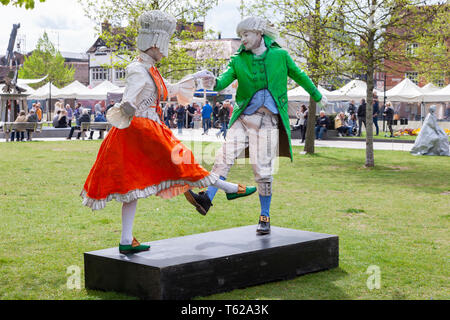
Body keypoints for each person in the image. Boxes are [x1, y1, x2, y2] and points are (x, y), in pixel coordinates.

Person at [80, 10, 256, 254]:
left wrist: (195, 75)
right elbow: (130, 97)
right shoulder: (137, 70)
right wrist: (127, 106)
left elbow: (167, 89)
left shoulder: (149, 68)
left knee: (134, 186)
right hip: (142, 130)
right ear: (153, 43)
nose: (165, 51)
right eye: (163, 46)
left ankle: (126, 239)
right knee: (184, 163)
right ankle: (229, 189)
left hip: (143, 130)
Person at [186, 16, 327, 235]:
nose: (243, 39)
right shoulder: (237, 60)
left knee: (262, 170)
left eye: (246, 35)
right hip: (243, 119)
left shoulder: (280, 56)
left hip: (268, 121)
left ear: (259, 33)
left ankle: (265, 215)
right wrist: (211, 82)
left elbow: (300, 75)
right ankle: (206, 199)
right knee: (223, 157)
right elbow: (222, 82)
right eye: (241, 35)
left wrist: (317, 96)